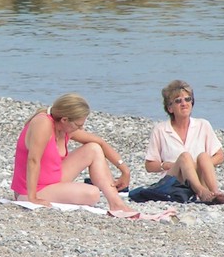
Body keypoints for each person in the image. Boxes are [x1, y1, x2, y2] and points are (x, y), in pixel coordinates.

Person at [10, 92, 142, 218]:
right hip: (30, 189)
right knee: (92, 193)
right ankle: (32, 195)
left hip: (53, 179)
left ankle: (117, 204)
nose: (81, 129)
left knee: (93, 148)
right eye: (78, 125)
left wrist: (125, 170)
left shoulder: (63, 128)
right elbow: (33, 160)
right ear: (64, 119)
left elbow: (100, 142)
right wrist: (32, 198)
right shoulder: (43, 123)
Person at [144, 79, 224, 204]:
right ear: (170, 108)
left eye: (187, 99)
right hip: (174, 181)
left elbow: (220, 156)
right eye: (178, 101)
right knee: (185, 157)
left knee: (204, 156)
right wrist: (165, 165)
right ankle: (200, 192)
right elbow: (149, 165)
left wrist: (200, 165)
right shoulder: (161, 129)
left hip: (199, 176)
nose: (184, 103)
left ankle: (215, 192)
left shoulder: (203, 125)